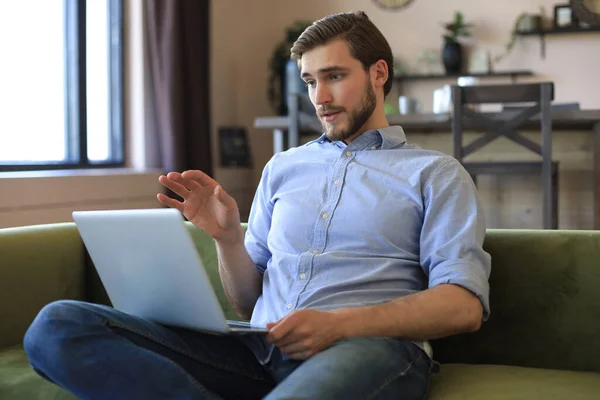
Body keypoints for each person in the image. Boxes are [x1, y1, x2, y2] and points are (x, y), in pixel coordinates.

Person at [23, 10, 491, 400]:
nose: (320, 99)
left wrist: (338, 325)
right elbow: (248, 301)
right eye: (310, 81)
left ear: (379, 73)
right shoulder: (283, 167)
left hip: (369, 349)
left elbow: (463, 306)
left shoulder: (435, 174)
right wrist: (227, 237)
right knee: (57, 325)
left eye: (334, 77)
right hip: (254, 348)